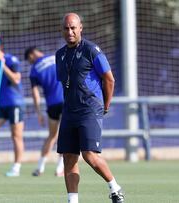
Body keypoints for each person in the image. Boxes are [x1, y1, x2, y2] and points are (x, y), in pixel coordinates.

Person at [55, 13, 124, 203]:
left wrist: (105, 105)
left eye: (73, 28)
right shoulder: (59, 55)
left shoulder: (92, 50)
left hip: (89, 109)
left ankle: (115, 188)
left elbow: (109, 79)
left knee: (89, 155)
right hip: (69, 111)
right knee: (68, 157)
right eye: (66, 28)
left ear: (80, 28)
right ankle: (73, 200)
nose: (69, 31)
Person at [0, 37, 25, 177]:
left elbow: (16, 79)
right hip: (0, 104)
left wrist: (2, 64)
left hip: (15, 103)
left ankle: (16, 167)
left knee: (16, 136)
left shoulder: (11, 60)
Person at [24, 47, 64, 177]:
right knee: (65, 136)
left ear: (31, 55)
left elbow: (35, 94)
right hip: (66, 101)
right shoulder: (56, 58)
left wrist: (39, 112)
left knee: (52, 136)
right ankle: (60, 169)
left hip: (51, 105)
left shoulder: (34, 70)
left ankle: (40, 167)